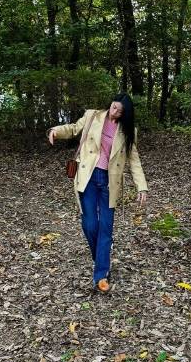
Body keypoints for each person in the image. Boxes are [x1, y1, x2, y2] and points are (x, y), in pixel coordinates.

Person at [47, 93, 149, 293]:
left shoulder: (128, 132)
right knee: (90, 224)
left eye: (119, 111)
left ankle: (101, 275)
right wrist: (56, 131)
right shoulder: (92, 115)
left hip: (110, 182)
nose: (114, 112)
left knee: (106, 228)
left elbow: (133, 159)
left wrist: (142, 186)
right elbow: (73, 128)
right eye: (113, 107)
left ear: (125, 114)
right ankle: (101, 256)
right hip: (89, 177)